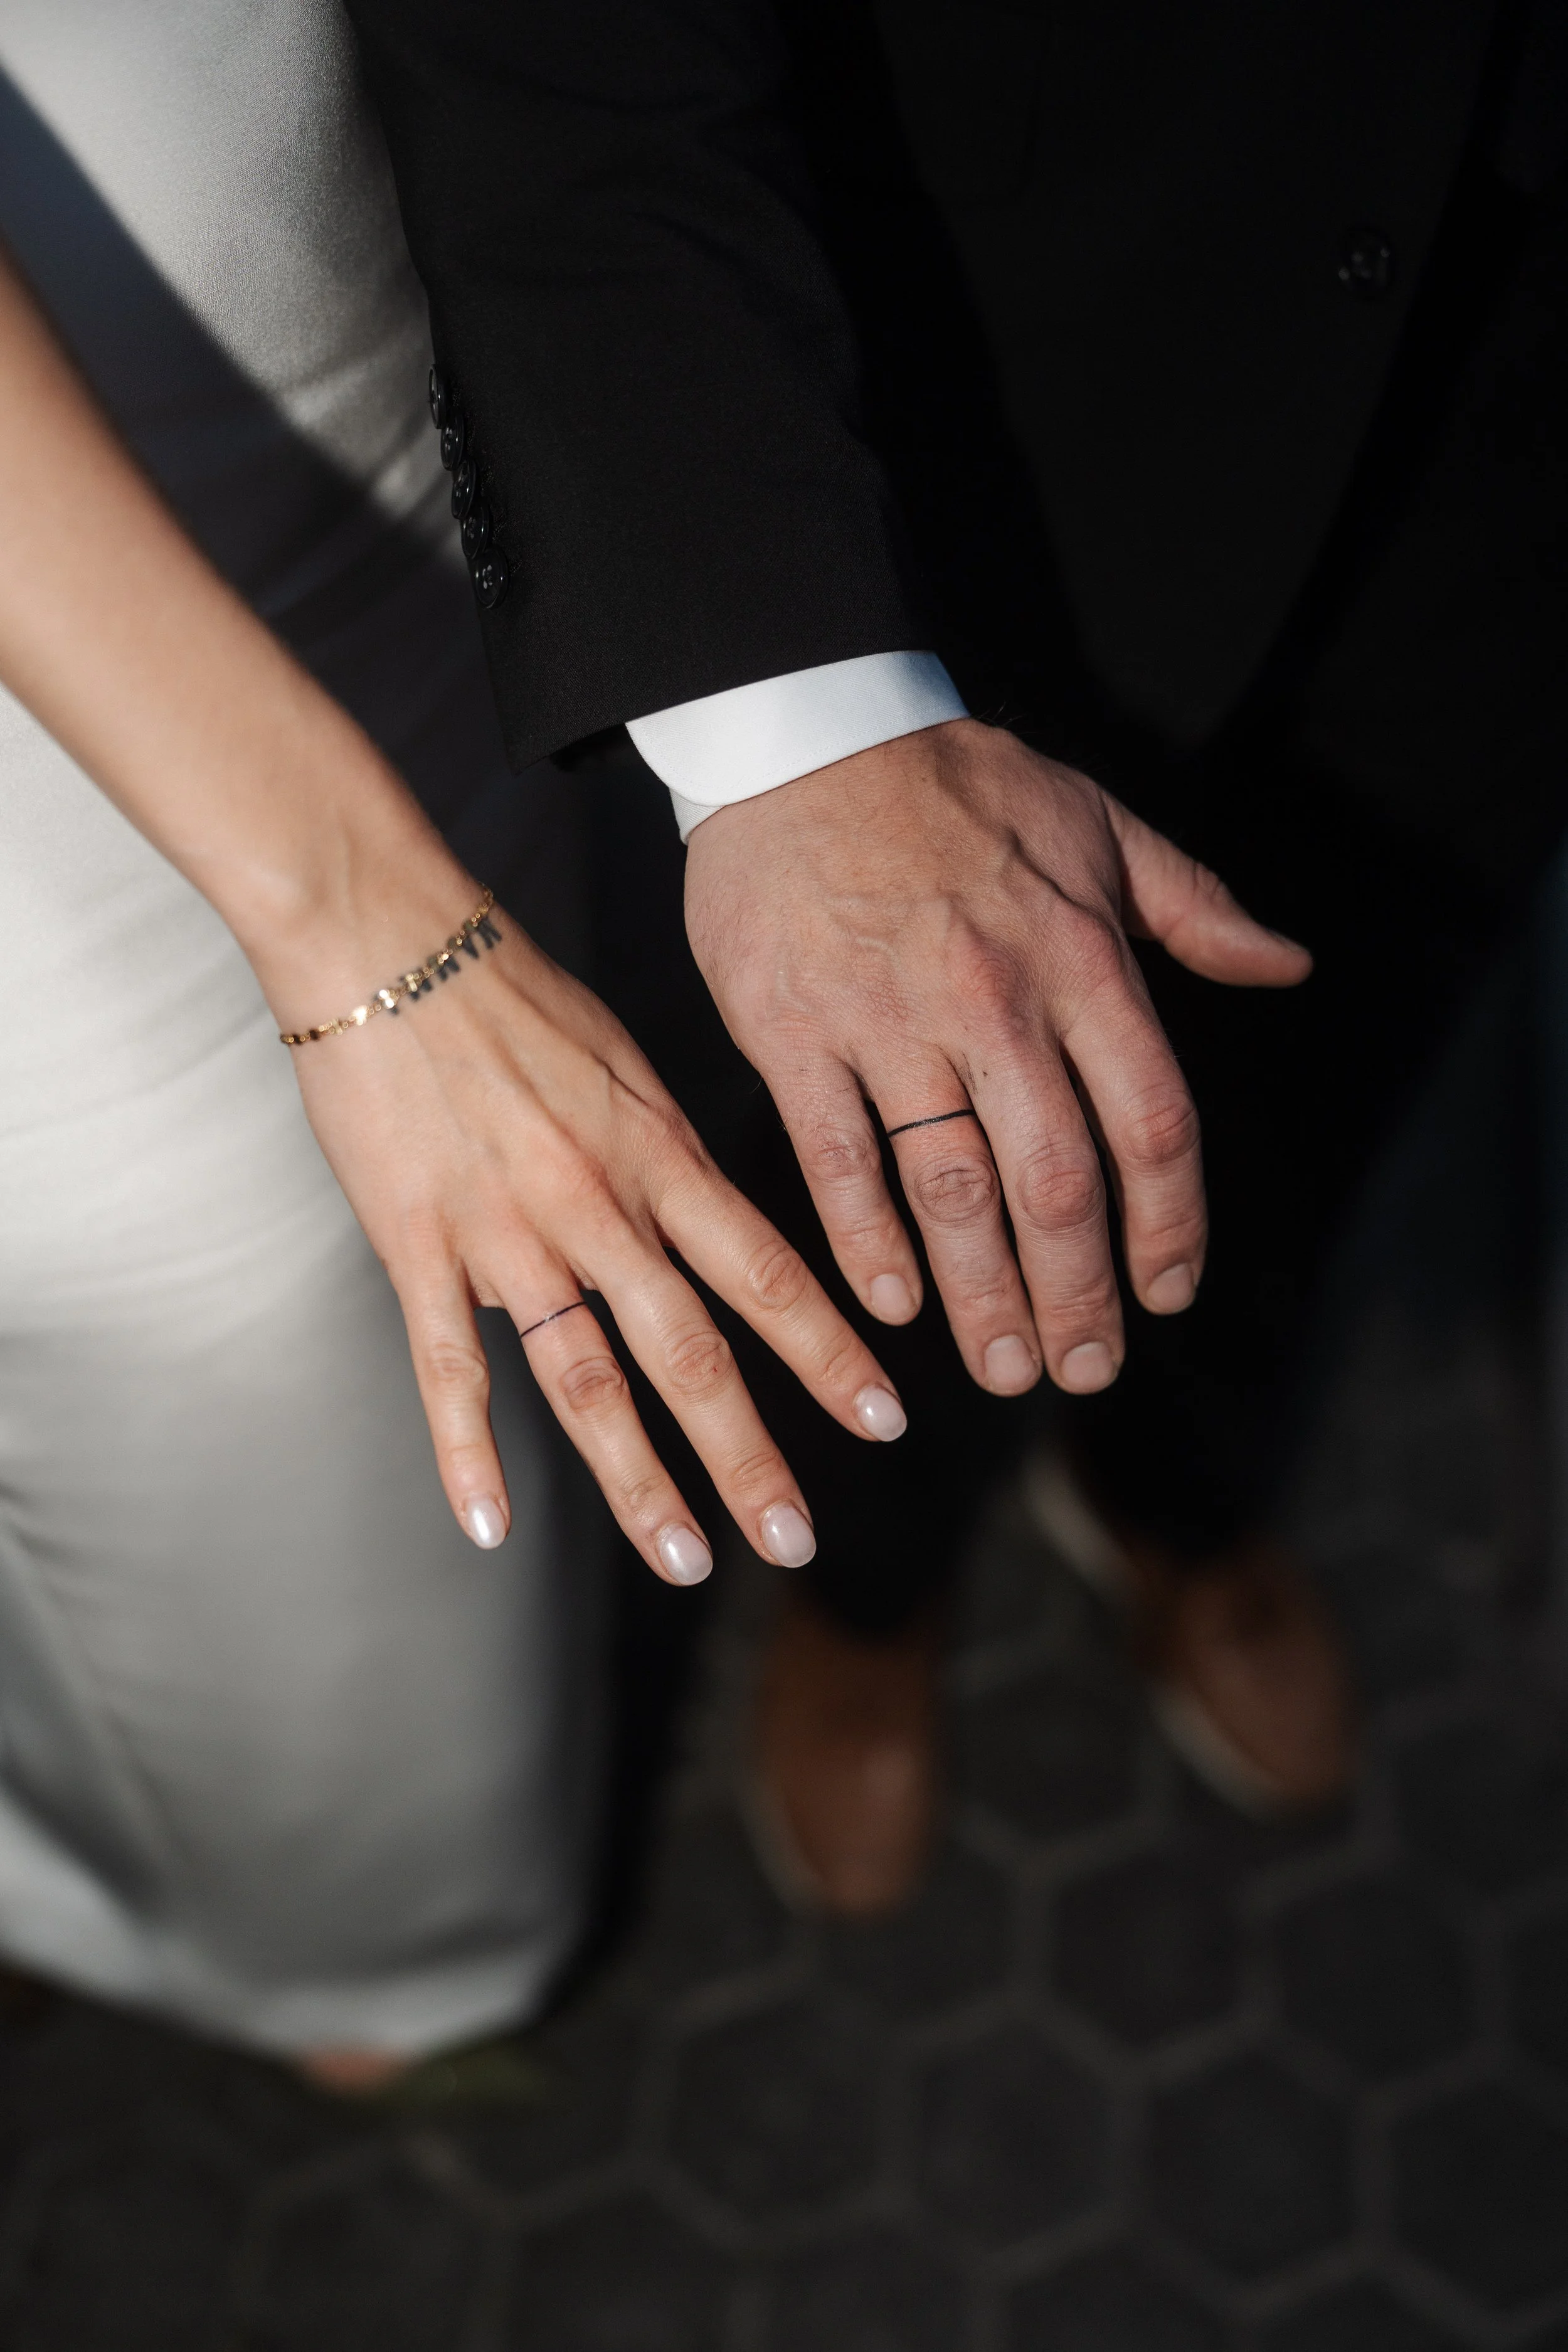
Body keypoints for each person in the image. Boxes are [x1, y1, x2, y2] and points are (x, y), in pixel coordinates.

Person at [347, 0, 1568, 1900]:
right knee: (894, 1118)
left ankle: (1185, 1494)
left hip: (1518, 414)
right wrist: (795, 706)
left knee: (1346, 1040)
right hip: (1017, 339)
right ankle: (869, 1580)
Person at [0, 1, 911, 2080]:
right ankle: (297, 1934)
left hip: (325, 325)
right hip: (138, 820)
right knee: (239, 1356)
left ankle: (305, 1918)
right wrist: (359, 928)